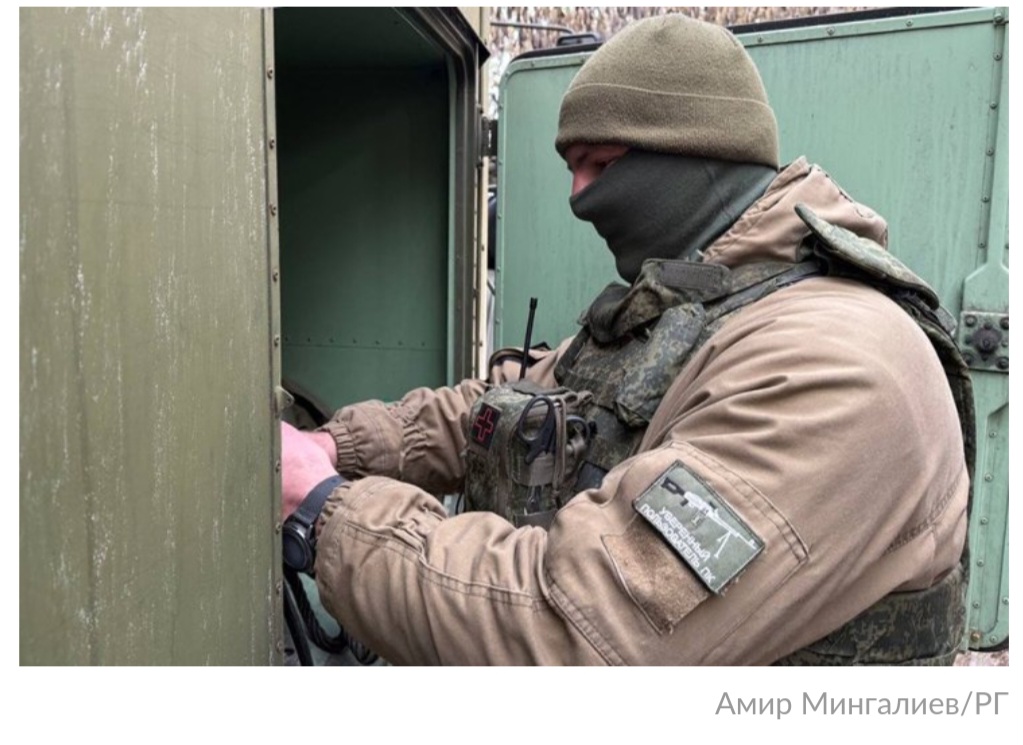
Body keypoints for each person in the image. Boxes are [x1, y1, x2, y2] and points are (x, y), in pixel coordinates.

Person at [281, 14, 972, 665]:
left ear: (693, 154)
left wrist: (324, 509)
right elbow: (501, 409)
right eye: (570, 168)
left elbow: (576, 630)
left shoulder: (832, 366)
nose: (578, 196)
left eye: (601, 164)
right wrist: (337, 447)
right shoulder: (693, 309)